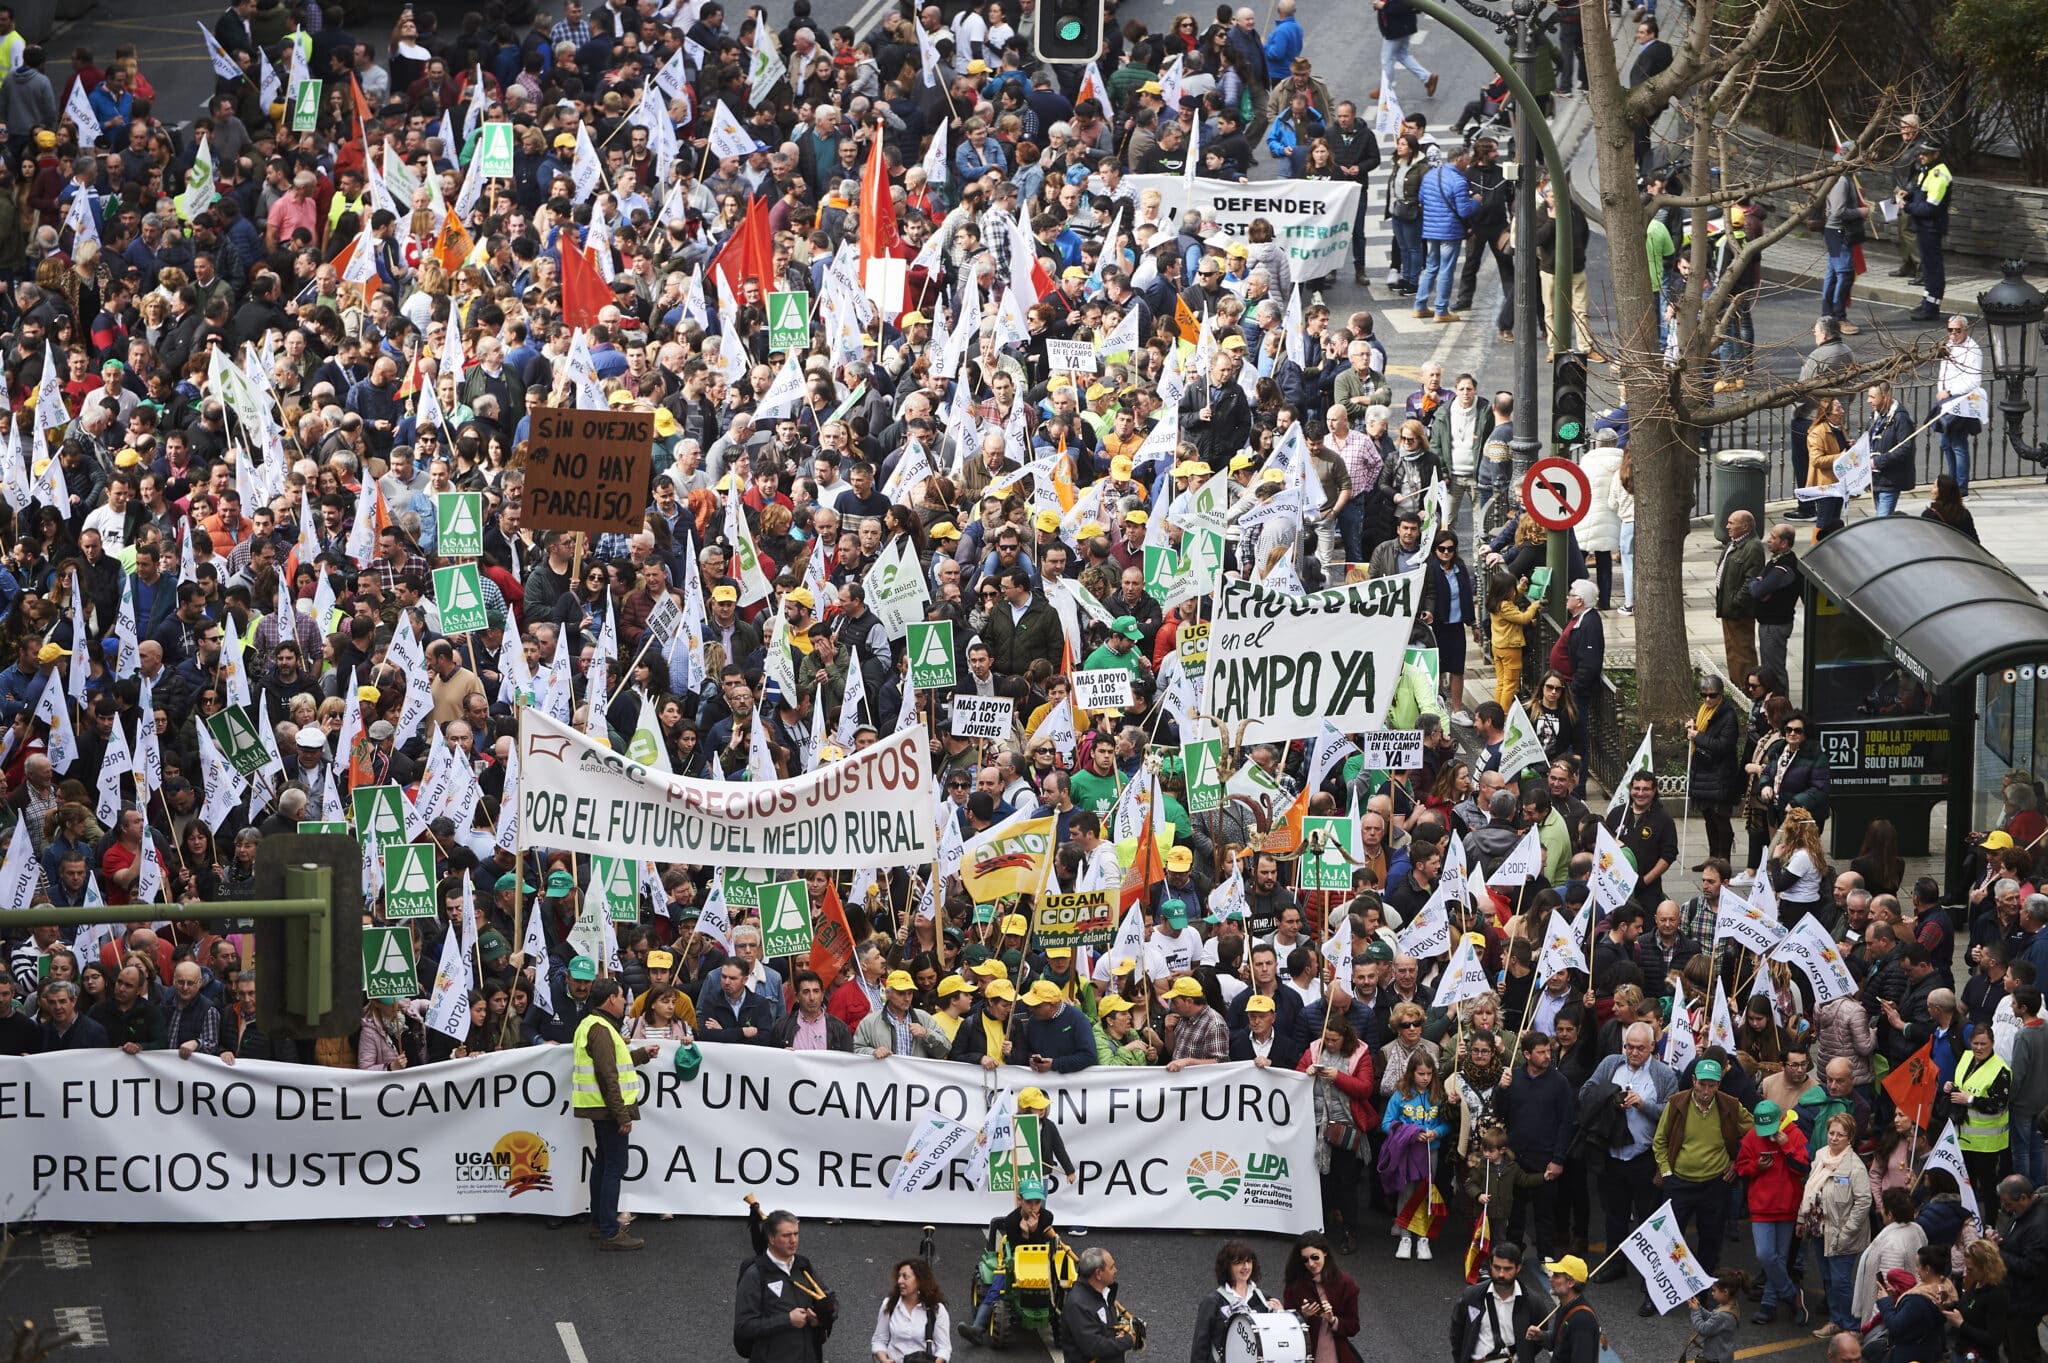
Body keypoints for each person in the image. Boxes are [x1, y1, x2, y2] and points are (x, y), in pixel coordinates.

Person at [573, 978, 657, 1252]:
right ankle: (610, 1230)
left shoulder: (593, 1025)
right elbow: (608, 1076)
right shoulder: (601, 1029)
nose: (625, 1003)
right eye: (622, 997)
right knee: (613, 1168)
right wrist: (622, 1116)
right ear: (610, 999)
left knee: (603, 1164)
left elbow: (616, 1064)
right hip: (609, 1111)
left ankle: (600, 1223)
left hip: (601, 1109)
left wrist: (642, 1055)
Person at [1302, 1014, 1378, 1254]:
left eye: (1333, 1040)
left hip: (1346, 1126)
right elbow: (1297, 1074)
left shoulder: (1360, 1055)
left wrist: (1339, 1077)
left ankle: (1349, 1231)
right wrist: (1307, 1071)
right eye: (1326, 1038)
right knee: (1321, 1181)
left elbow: (1365, 1089)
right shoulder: (1313, 1050)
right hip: (1316, 1125)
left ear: (1345, 1039)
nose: (1329, 1044)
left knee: (1346, 1182)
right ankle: (1321, 1230)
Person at [1800, 1112, 1873, 1340]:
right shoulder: (1821, 1156)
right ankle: (1835, 1320)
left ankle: (1852, 1326)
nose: (1833, 1138)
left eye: (1840, 1135)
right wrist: (1801, 1219)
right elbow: (1810, 1190)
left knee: (1841, 1282)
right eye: (1831, 1133)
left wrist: (1847, 1231)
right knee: (1828, 1279)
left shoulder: (1854, 1167)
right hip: (1819, 1230)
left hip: (1842, 1235)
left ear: (1849, 1138)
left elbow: (1864, 1201)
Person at [735, 1210, 837, 1362]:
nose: (793, 1240)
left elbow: (831, 1301)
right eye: (786, 1235)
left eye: (796, 1234)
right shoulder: (756, 1274)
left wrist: (821, 1318)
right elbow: (744, 1326)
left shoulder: (803, 1265)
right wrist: (787, 1320)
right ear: (771, 1238)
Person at [1382, 1048, 1450, 1259]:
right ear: (1411, 1072)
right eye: (1421, 1074)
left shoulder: (1438, 1095)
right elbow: (1386, 1124)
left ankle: (1423, 1238)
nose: (1425, 1078)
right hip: (1407, 1152)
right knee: (1406, 1192)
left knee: (1426, 1192)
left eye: (1429, 1074)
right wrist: (1410, 1133)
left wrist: (1435, 1132)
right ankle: (1405, 1236)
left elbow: (1446, 1124)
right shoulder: (1400, 1094)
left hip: (1431, 1151)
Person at [1451, 1241, 1543, 1363]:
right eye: (1497, 1267)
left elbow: (1538, 1341)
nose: (1501, 1274)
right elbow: (1457, 1334)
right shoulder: (1471, 1296)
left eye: (1507, 1269)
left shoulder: (1533, 1303)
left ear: (1518, 1268)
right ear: (1490, 1265)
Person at [1189, 1240, 1276, 1363]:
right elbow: (1200, 1347)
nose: (1245, 1267)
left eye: (1248, 1261)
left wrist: (1280, 1314)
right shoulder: (1213, 1301)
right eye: (1239, 1262)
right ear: (1227, 1267)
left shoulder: (1263, 1298)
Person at [1282, 1232, 1362, 1363]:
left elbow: (1353, 1326)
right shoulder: (1295, 1285)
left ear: (1325, 1252)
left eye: (1315, 1257)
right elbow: (1287, 1326)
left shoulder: (1346, 1283)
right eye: (1305, 1260)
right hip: (1304, 1354)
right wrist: (1303, 1316)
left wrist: (1332, 1320)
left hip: (1335, 1355)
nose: (1311, 1264)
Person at [1061, 1247, 1135, 1363]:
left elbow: (1104, 1328)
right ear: (1098, 1274)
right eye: (1111, 1267)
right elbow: (1094, 1347)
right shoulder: (1077, 1305)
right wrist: (1128, 1340)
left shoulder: (1103, 1292)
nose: (1115, 1270)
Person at [870, 1257, 949, 1363]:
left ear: (920, 1281)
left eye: (905, 1277)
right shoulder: (889, 1305)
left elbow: (944, 1348)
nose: (899, 1281)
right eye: (899, 1276)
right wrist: (884, 1360)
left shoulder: (936, 1309)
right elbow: (879, 1340)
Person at [1526, 1255, 1599, 1363]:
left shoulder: (1582, 1321)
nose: (1550, 1279)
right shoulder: (1566, 1306)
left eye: (1556, 1276)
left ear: (1571, 1283)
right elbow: (1560, 1342)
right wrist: (1542, 1336)